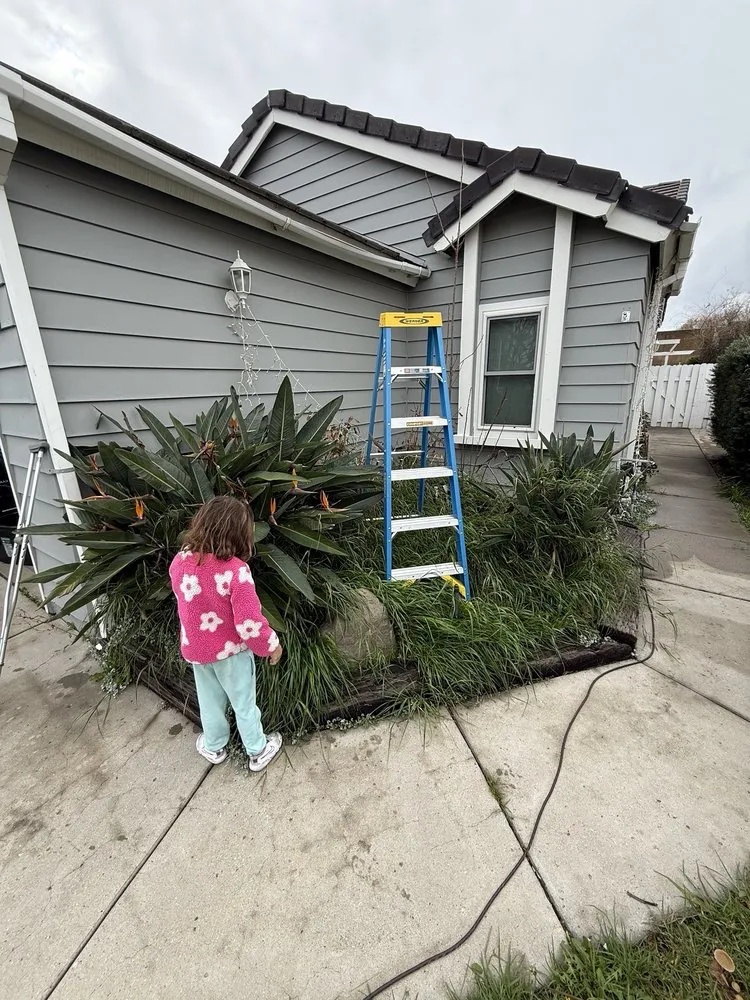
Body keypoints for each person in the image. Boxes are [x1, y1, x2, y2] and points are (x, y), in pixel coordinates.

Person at [169, 495, 283, 771]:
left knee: (209, 701)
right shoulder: (236, 571)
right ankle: (257, 750)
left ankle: (214, 745)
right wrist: (271, 645)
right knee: (243, 701)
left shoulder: (181, 561)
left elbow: (184, 602)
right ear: (239, 533)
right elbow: (249, 623)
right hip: (230, 652)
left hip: (197, 649)